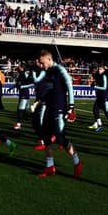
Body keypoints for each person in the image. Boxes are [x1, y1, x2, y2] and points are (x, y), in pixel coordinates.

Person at [36, 49, 82, 178]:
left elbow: (69, 86)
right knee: (46, 137)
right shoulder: (48, 72)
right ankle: (50, 167)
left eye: (42, 62)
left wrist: (71, 106)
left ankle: (77, 162)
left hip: (59, 109)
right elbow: (49, 91)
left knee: (61, 139)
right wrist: (39, 101)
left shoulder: (60, 70)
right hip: (49, 109)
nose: (41, 65)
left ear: (49, 60)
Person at [89, 64, 108, 132]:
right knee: (95, 109)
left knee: (106, 111)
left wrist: (95, 87)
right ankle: (100, 125)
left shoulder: (104, 76)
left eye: (101, 69)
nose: (99, 70)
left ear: (104, 70)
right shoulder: (100, 76)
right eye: (99, 69)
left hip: (105, 96)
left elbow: (104, 87)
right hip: (101, 96)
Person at [13, 63, 34, 130]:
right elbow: (18, 84)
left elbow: (32, 83)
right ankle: (35, 119)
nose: (17, 67)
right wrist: (12, 88)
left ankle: (19, 125)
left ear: (22, 67)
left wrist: (22, 86)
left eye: (19, 66)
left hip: (24, 94)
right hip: (22, 94)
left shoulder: (25, 74)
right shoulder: (21, 74)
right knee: (24, 111)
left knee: (20, 110)